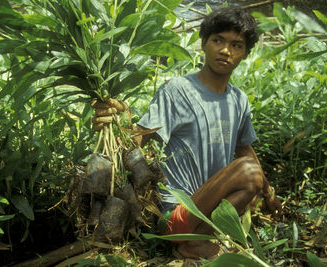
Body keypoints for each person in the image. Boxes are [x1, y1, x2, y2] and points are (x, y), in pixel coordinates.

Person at [92, 5, 282, 260]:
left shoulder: (239, 100)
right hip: (177, 215)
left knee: (252, 179)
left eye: (237, 45)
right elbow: (138, 137)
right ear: (203, 43)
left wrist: (269, 193)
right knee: (248, 171)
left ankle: (201, 241)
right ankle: (193, 241)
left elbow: (245, 148)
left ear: (245, 54)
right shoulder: (178, 90)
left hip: (212, 214)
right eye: (218, 40)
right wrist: (115, 120)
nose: (226, 50)